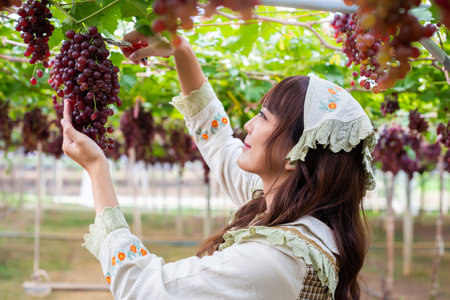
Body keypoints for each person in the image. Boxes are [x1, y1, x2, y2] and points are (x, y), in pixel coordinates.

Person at [60, 31, 377, 300]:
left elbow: (144, 289)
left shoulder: (273, 260)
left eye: (264, 116)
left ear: (297, 152)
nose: (249, 125)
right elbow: (218, 139)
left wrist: (97, 170)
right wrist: (180, 50)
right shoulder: (290, 209)